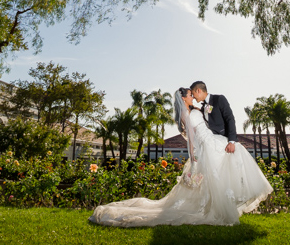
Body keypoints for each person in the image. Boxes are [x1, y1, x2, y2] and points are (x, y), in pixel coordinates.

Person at [89, 87, 273, 227]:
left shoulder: (194, 111)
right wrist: (194, 157)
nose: (193, 97)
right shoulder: (188, 114)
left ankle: (226, 202)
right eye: (191, 95)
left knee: (231, 160)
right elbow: (191, 139)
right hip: (207, 146)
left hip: (211, 142)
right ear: (184, 98)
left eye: (194, 94)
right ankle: (220, 209)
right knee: (228, 163)